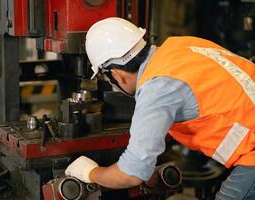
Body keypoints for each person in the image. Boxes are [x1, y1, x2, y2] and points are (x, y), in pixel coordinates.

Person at [65, 17, 255, 199]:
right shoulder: (181, 45)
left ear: (116, 75)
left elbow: (131, 174)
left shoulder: (157, 87)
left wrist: (91, 173)